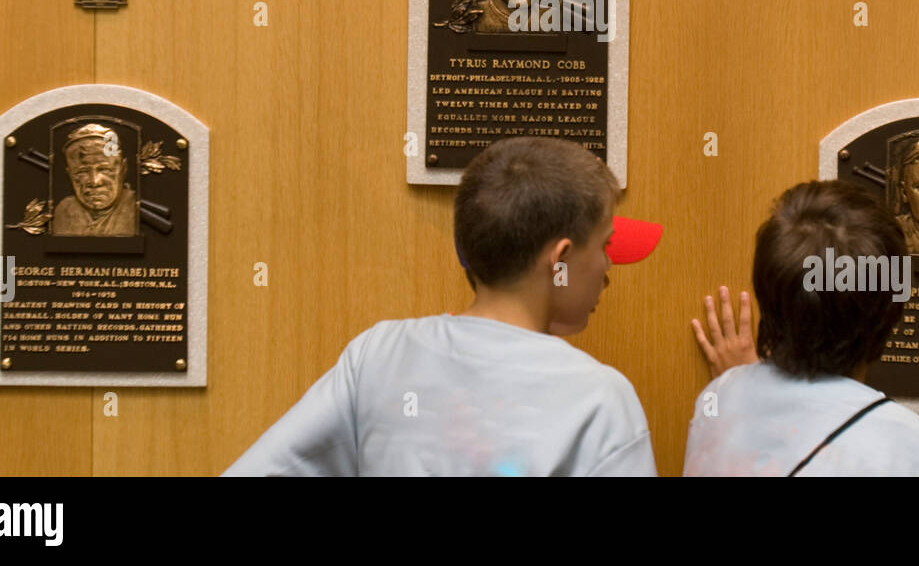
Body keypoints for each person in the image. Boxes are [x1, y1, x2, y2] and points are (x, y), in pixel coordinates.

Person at [224, 136, 658, 476]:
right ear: (559, 262)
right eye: (605, 246)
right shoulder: (600, 400)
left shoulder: (378, 356)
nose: (606, 270)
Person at [686, 180, 919, 476]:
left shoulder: (717, 400)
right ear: (890, 312)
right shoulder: (913, 449)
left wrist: (739, 384)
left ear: (766, 297)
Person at [51, 123, 139, 237]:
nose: (94, 182)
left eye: (105, 169)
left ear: (123, 169)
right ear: (70, 174)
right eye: (82, 172)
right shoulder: (63, 211)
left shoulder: (137, 209)